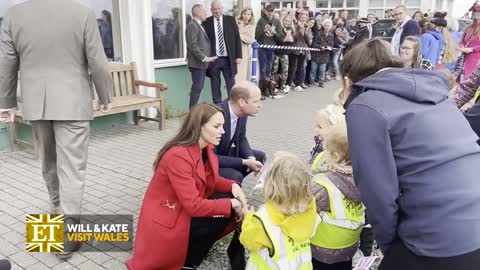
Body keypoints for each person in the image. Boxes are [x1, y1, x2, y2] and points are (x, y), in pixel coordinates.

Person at [341, 38, 480, 270]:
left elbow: (377, 192)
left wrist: (390, 247)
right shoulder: (436, 94)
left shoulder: (365, 105)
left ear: (347, 81)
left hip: (437, 238)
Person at [0, 0, 112, 259]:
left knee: (49, 163)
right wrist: (104, 94)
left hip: (36, 102)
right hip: (73, 102)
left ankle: (56, 211)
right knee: (71, 168)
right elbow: (97, 61)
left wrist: (6, 103)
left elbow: (6, 62)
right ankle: (69, 236)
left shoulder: (14, 15)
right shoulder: (82, 13)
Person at [126, 103, 248, 270]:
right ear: (199, 126)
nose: (223, 131)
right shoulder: (178, 155)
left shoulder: (205, 148)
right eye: (217, 126)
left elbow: (210, 180)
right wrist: (232, 204)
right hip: (169, 217)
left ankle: (193, 253)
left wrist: (234, 186)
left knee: (227, 202)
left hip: (182, 209)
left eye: (223, 126)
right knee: (224, 209)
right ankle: (187, 261)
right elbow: (194, 206)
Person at [240, 151, 320, 269]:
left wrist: (247, 218)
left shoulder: (264, 219)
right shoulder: (310, 209)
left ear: (271, 185)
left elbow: (249, 242)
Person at [311, 121, 365, 270]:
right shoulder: (365, 179)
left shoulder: (324, 186)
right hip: (348, 248)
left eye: (326, 151)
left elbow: (303, 210)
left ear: (335, 156)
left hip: (321, 251)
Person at [216, 81, 265, 184]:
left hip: (224, 153)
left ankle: (231, 185)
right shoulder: (216, 116)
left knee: (259, 157)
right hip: (209, 163)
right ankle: (222, 188)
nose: (260, 105)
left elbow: (241, 138)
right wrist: (245, 162)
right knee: (235, 175)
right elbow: (211, 157)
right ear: (242, 101)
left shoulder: (242, 113)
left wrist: (250, 158)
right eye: (256, 101)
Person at [203, 0, 242, 104]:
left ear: (222, 8)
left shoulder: (230, 20)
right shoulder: (206, 22)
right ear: (211, 10)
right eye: (214, 9)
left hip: (228, 59)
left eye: (219, 8)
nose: (217, 11)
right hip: (214, 59)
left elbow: (237, 38)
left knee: (231, 83)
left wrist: (238, 55)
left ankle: (233, 104)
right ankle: (217, 105)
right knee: (215, 83)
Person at [186, 4, 217, 108]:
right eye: (204, 11)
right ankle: (192, 112)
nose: (206, 14)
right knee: (197, 88)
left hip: (203, 63)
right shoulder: (192, 25)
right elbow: (192, 45)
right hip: (197, 63)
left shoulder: (200, 24)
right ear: (198, 13)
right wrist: (204, 58)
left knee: (201, 86)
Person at [255, 4, 285, 92]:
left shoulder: (277, 22)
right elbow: (256, 36)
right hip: (262, 48)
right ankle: (264, 89)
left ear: (274, 12)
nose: (270, 13)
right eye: (268, 11)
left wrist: (274, 32)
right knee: (263, 69)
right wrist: (264, 31)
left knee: (269, 68)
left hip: (271, 49)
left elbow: (280, 38)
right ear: (265, 11)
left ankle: (268, 87)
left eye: (272, 11)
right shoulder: (260, 21)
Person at [456, 4, 480, 81]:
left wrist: (472, 49)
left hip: (476, 62)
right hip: (464, 60)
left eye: (479, 11)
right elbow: (462, 41)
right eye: (475, 11)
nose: (477, 13)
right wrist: (462, 47)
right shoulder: (469, 27)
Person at [272, 15, 295, 93]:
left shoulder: (291, 30)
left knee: (285, 70)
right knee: (274, 70)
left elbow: (291, 40)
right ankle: (273, 86)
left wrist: (287, 37)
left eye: (289, 21)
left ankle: (283, 85)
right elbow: (279, 39)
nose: (287, 22)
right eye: (285, 20)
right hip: (277, 52)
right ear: (282, 20)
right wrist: (285, 39)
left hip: (285, 52)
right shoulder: (279, 28)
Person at [311, 19, 334, 88]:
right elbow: (314, 43)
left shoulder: (331, 35)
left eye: (329, 26)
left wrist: (329, 47)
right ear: (323, 26)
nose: (327, 27)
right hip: (316, 54)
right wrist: (321, 47)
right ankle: (312, 81)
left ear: (330, 27)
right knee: (313, 69)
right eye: (326, 25)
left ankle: (321, 82)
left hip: (325, 55)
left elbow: (332, 44)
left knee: (322, 70)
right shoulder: (318, 33)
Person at [235, 8, 255, 82]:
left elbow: (250, 40)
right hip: (235, 50)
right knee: (234, 74)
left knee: (242, 74)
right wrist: (243, 37)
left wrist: (239, 35)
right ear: (242, 14)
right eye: (245, 14)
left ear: (251, 16)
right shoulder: (236, 22)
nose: (246, 16)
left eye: (249, 14)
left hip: (244, 51)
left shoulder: (252, 26)